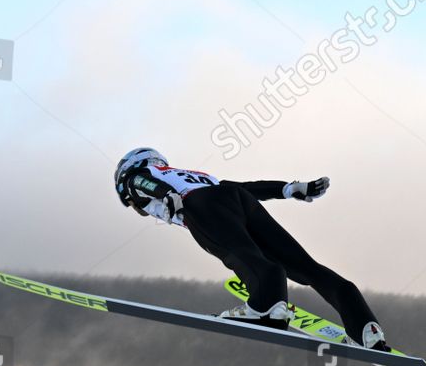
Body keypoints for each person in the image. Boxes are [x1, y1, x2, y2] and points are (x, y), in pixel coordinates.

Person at [113, 147, 389, 350]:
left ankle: (266, 308)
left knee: (240, 254)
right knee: (305, 266)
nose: (140, 210)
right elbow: (243, 188)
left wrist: (167, 195)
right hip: (236, 199)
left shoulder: (139, 176)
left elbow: (140, 183)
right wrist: (289, 188)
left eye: (133, 204)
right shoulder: (193, 174)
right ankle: (364, 327)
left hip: (197, 205)